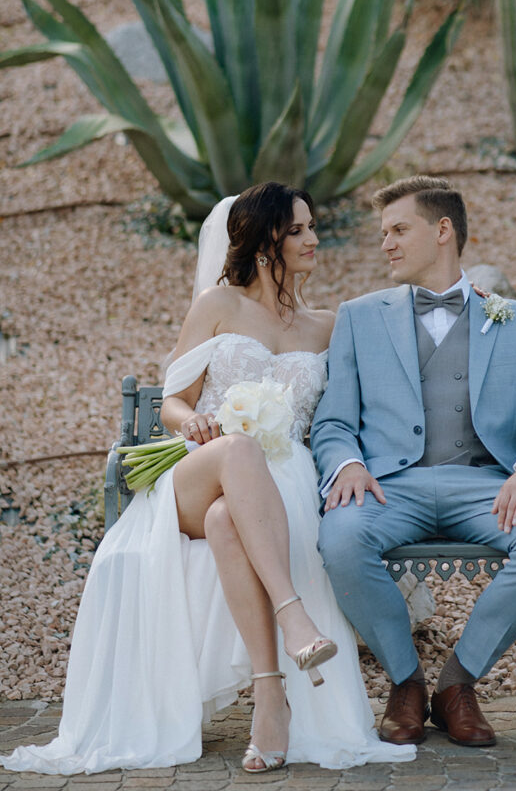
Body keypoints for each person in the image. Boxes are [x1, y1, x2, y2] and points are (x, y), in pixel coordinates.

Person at [0, 183, 415, 775]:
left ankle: (271, 696)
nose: (313, 239)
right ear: (265, 238)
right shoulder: (217, 306)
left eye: (312, 226)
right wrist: (191, 418)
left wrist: (471, 293)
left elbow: (401, 323)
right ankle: (295, 616)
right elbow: (172, 401)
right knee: (238, 452)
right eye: (297, 229)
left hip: (281, 479)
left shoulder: (328, 325)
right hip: (201, 468)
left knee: (229, 521)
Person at [311, 175, 516, 748]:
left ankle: (458, 682)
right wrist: (348, 465)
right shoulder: (358, 318)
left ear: (442, 231)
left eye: (398, 230)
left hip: (487, 486)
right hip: (391, 486)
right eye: (382, 232)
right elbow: (332, 421)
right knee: (340, 538)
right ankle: (406, 681)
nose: (385, 243)